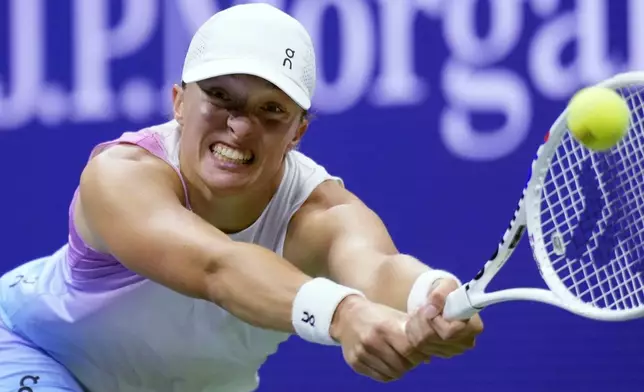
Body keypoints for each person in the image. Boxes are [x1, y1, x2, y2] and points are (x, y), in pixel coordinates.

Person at [0, 3, 483, 392]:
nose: (240, 126)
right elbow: (217, 267)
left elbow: (378, 269)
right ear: (178, 102)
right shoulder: (120, 175)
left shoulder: (320, 212)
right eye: (220, 96)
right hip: (33, 350)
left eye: (271, 109)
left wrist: (431, 295)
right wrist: (344, 313)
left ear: (298, 132)